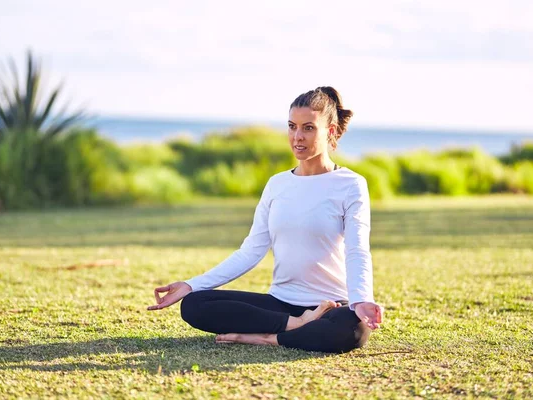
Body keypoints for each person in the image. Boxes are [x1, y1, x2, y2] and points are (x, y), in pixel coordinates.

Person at [148, 86, 384, 353]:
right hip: (280, 303)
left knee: (353, 329)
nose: (297, 136)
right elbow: (251, 251)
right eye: (292, 127)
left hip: (332, 304)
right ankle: (296, 325)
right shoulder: (277, 184)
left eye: (308, 128)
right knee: (194, 304)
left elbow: (357, 250)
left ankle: (268, 338)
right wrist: (192, 285)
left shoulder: (351, 184)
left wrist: (362, 299)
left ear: (330, 131)